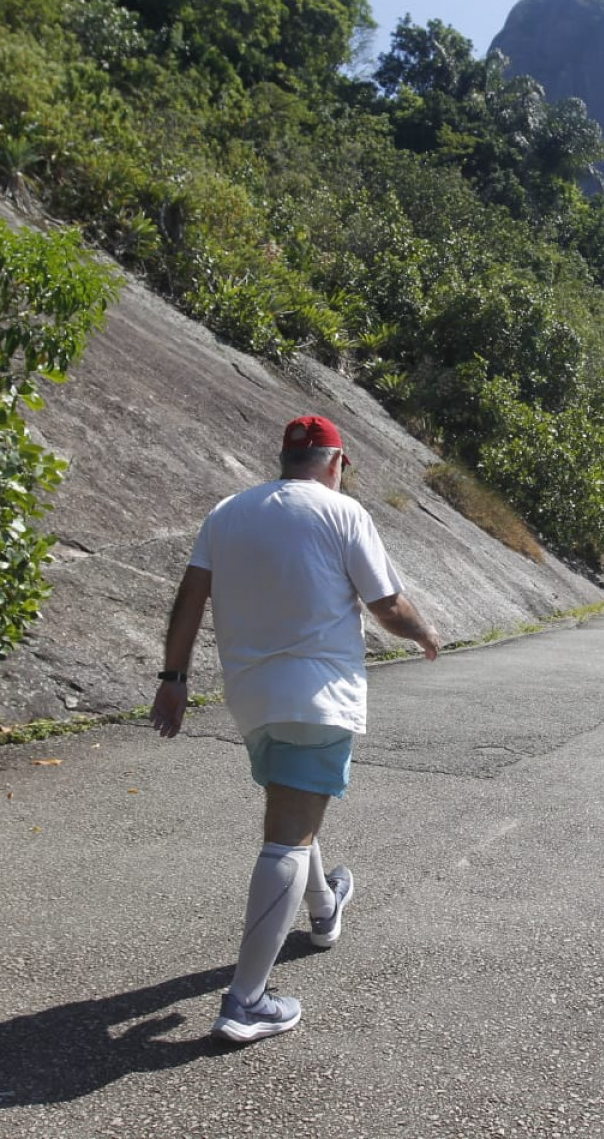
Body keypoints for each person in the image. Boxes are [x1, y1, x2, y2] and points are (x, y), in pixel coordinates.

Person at [151, 415, 442, 1044]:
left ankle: (325, 909)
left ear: (286, 458)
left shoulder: (228, 512)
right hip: (320, 696)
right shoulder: (343, 513)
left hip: (251, 697)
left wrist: (172, 678)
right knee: (287, 831)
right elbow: (386, 605)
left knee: (293, 811)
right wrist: (425, 633)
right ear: (337, 463)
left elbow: (190, 598)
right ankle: (245, 1001)